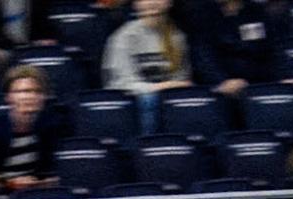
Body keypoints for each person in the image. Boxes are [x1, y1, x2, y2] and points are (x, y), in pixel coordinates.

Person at [102, 0, 194, 134]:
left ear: (169, 3)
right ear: (136, 4)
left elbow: (181, 81)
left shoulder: (177, 37)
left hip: (167, 101)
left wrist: (170, 87)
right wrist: (161, 87)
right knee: (148, 100)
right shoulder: (122, 37)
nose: (152, 2)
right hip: (131, 103)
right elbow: (122, 84)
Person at [0, 65, 61, 194]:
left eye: (36, 91)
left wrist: (37, 183)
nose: (29, 96)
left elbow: (56, 177)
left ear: (43, 98)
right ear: (8, 97)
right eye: (22, 91)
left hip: (39, 197)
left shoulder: (52, 128)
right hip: (1, 198)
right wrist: (11, 183)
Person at [186, 0, 280, 99]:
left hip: (255, 87)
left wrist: (282, 78)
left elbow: (269, 51)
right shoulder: (201, 12)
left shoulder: (256, 12)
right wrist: (222, 81)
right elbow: (202, 55)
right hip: (217, 89)